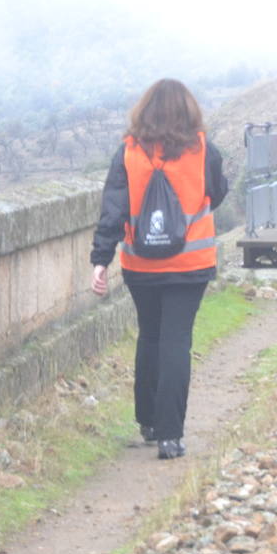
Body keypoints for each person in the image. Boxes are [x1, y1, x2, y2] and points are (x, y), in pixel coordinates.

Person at [90, 79, 229, 460]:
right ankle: (171, 435)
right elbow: (217, 192)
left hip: (141, 264)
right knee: (176, 341)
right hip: (191, 262)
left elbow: (113, 211)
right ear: (188, 111)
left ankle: (148, 421)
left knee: (150, 336)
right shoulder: (202, 149)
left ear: (144, 112)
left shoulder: (129, 152)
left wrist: (100, 261)